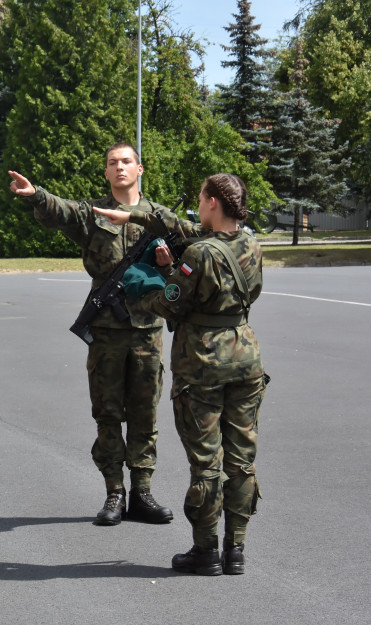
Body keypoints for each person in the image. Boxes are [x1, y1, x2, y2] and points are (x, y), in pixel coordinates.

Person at [94, 173, 266, 576]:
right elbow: (187, 236)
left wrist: (146, 285)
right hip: (245, 357)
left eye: (201, 198)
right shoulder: (252, 244)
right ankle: (236, 549)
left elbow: (170, 303)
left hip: (203, 364)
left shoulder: (200, 253)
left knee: (207, 462)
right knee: (241, 461)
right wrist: (135, 217)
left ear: (211, 203)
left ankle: (205, 551)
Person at [7, 143, 175, 526]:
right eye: (112, 163)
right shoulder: (93, 213)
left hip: (148, 329)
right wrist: (37, 195)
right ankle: (114, 492)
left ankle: (143, 491)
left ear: (140, 169)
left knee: (145, 412)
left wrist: (169, 265)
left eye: (126, 162)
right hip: (106, 330)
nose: (119, 168)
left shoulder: (160, 217)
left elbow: (185, 264)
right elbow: (61, 210)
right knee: (108, 411)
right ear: (106, 172)